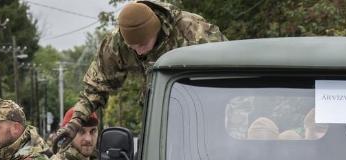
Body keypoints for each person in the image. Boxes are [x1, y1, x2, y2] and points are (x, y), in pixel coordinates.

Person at [52, 1, 226, 150]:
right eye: (132, 46)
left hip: (205, 116)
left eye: (142, 44)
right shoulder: (117, 43)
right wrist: (75, 122)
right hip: (159, 121)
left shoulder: (193, 32)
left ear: (156, 31)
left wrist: (245, 121)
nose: (138, 50)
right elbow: (95, 88)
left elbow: (235, 76)